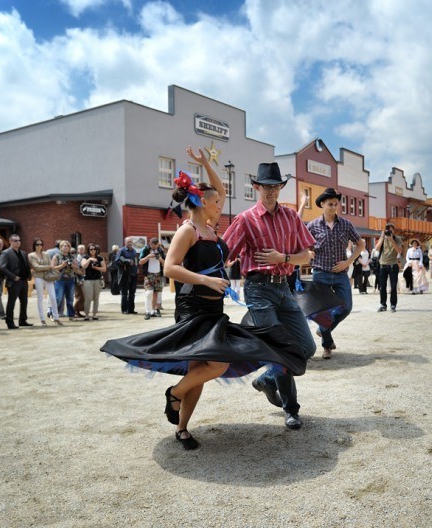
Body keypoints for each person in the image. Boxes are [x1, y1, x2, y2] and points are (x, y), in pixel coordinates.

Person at [102, 147, 306, 449]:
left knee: (199, 371)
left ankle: (182, 428)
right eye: (215, 202)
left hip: (213, 308)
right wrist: (206, 279)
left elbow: (220, 188)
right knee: (215, 365)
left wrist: (206, 163)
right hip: (193, 307)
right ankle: (174, 394)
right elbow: (171, 268)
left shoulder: (210, 229)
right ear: (201, 203)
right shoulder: (188, 231)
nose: (220, 204)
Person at [224, 161, 317, 430]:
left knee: (307, 348)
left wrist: (283, 257)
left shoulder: (292, 217)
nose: (271, 191)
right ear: (256, 187)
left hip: (284, 287)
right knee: (280, 349)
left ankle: (266, 380)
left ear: (281, 187)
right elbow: (224, 254)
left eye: (276, 186)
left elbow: (306, 255)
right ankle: (292, 410)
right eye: (266, 186)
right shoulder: (245, 219)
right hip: (258, 289)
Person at [306, 187, 363, 359]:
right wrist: (308, 253)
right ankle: (327, 346)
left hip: (340, 274)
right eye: (330, 204)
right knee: (322, 311)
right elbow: (304, 247)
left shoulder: (346, 225)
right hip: (320, 273)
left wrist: (348, 261)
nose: (333, 207)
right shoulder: (312, 226)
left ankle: (323, 329)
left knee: (346, 307)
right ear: (322, 204)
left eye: (336, 204)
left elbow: (360, 245)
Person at [0, 234, 33, 329]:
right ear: (10, 241)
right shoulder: (6, 253)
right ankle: (9, 322)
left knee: (24, 301)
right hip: (14, 282)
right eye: (15, 241)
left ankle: (22, 320)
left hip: (23, 281)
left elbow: (27, 266)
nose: (18, 242)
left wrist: (29, 275)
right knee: (11, 302)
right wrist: (13, 277)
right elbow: (3, 267)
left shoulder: (23, 253)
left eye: (19, 240)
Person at [28, 238, 62, 326]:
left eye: (41, 244)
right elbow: (36, 267)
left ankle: (56, 317)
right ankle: (42, 319)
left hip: (48, 277)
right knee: (40, 298)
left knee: (53, 297)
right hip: (39, 277)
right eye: (37, 244)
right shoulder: (31, 255)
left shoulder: (46, 254)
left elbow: (51, 265)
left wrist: (44, 267)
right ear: (34, 245)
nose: (39, 246)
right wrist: (48, 267)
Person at [375, 223, 403, 312]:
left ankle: (393, 305)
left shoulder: (397, 239)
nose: (389, 232)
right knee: (382, 287)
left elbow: (399, 250)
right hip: (383, 265)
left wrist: (391, 240)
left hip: (393, 265)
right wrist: (382, 237)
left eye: (391, 230)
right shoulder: (383, 238)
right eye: (387, 230)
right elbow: (376, 248)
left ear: (393, 231)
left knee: (393, 287)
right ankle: (383, 305)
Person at [52, 241, 79, 321]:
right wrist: (62, 265)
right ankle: (54, 314)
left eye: (67, 246)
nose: (66, 247)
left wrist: (72, 265)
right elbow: (53, 268)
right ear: (60, 247)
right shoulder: (57, 256)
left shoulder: (72, 257)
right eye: (64, 246)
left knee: (70, 299)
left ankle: (71, 315)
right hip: (59, 280)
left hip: (70, 280)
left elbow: (77, 268)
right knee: (59, 298)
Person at [139, 237, 165, 320]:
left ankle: (153, 311)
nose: (154, 248)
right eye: (153, 247)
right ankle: (147, 312)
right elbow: (140, 262)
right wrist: (148, 257)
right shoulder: (145, 249)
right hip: (149, 274)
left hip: (158, 274)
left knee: (155, 294)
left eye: (156, 246)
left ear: (157, 244)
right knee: (148, 293)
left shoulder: (160, 250)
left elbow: (165, 263)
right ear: (150, 244)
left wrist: (160, 258)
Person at [82, 243, 107, 320]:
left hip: (97, 279)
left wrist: (96, 268)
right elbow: (83, 266)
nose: (93, 250)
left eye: (94, 249)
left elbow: (104, 269)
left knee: (96, 298)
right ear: (88, 250)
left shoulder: (100, 258)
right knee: (88, 298)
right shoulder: (85, 257)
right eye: (91, 249)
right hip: (88, 280)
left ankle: (94, 314)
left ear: (96, 250)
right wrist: (89, 260)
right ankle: (86, 315)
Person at [116, 238, 139, 314]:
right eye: (128, 242)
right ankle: (124, 309)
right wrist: (126, 262)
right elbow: (116, 261)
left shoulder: (134, 251)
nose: (130, 243)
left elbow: (136, 261)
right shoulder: (121, 250)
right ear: (125, 242)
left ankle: (131, 309)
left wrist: (137, 268)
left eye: (131, 242)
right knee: (124, 293)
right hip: (125, 274)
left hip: (133, 274)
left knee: (132, 293)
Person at [73, 244, 87, 318]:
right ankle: (74, 311)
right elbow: (76, 268)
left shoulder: (86, 257)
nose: (81, 250)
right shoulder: (75, 257)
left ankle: (78, 311)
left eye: (82, 249)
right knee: (79, 296)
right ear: (78, 250)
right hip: (77, 278)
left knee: (83, 296)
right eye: (80, 249)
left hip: (85, 278)